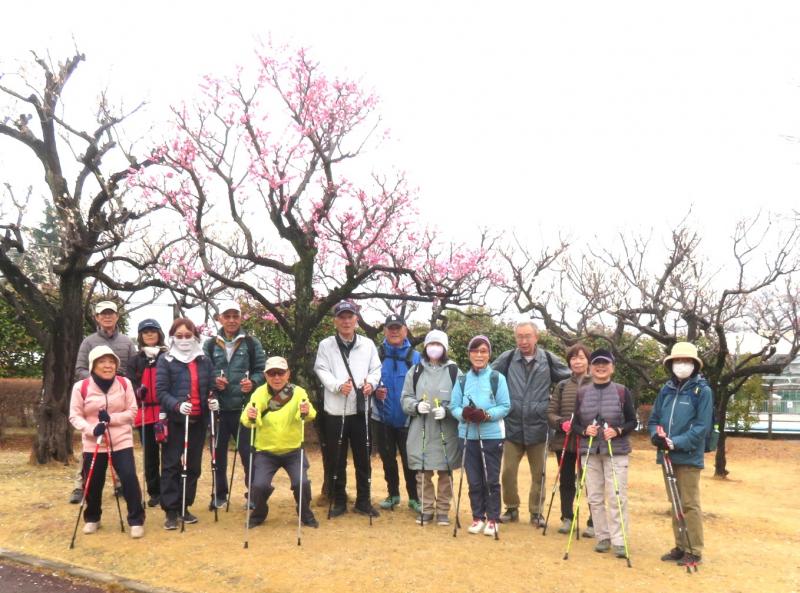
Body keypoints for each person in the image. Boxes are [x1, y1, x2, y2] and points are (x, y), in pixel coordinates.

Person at [492, 321, 570, 526]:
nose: (523, 341)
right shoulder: (507, 358)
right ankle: (511, 508)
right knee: (508, 471)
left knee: (539, 473)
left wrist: (558, 403)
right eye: (519, 336)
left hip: (539, 425)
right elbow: (489, 377)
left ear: (536, 337)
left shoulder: (549, 359)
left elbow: (570, 379)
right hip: (511, 424)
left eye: (527, 336)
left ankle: (536, 512)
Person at [313, 300, 382, 518]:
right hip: (335, 410)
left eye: (350, 317)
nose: (346, 321)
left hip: (361, 409)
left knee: (363, 458)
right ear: (335, 321)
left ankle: (363, 500)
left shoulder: (368, 344)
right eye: (341, 317)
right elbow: (321, 369)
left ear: (356, 320)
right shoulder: (326, 345)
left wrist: (371, 383)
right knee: (337, 458)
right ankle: (339, 499)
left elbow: (376, 369)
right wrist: (336, 386)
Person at [68, 345, 145, 538]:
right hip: (94, 442)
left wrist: (111, 419)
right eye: (102, 362)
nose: (108, 366)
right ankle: (93, 517)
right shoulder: (82, 387)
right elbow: (75, 416)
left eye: (111, 362)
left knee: (128, 478)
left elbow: (132, 412)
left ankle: (136, 519)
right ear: (93, 365)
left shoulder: (125, 383)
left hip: (121, 440)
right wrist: (92, 429)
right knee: (93, 481)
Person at [648, 342, 713, 568]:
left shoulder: (702, 391)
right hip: (667, 456)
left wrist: (675, 443)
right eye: (677, 361)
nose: (681, 365)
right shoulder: (665, 390)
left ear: (694, 365)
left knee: (689, 503)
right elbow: (654, 419)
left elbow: (701, 427)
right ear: (671, 364)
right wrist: (657, 436)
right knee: (674, 502)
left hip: (688, 456)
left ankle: (694, 550)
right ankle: (680, 545)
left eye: (686, 361)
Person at [69, 300, 137, 504]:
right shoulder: (89, 342)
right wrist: (95, 384)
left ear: (117, 316)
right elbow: (80, 368)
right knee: (92, 447)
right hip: (94, 399)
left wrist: (120, 383)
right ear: (97, 318)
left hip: (119, 396)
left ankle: (120, 484)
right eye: (103, 314)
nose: (107, 317)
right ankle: (81, 485)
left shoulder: (126, 341)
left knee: (120, 445)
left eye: (111, 313)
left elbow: (133, 367)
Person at [571, 349, 637, 559]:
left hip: (615, 451)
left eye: (605, 364)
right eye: (597, 363)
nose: (601, 367)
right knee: (595, 496)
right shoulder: (582, 392)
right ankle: (602, 537)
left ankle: (619, 540)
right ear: (591, 367)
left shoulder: (621, 391)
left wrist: (617, 430)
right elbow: (575, 423)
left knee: (617, 495)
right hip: (590, 450)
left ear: (612, 367)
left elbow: (632, 421)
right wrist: (584, 431)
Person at [240, 356, 319, 528]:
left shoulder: (298, 392)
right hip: (265, 452)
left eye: (280, 373)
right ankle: (259, 513)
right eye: (272, 373)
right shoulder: (259, 393)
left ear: (288, 374)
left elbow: (311, 413)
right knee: (259, 485)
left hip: (293, 451)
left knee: (302, 483)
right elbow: (245, 418)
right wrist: (251, 416)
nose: (276, 377)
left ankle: (305, 513)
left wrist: (305, 412)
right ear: (265, 375)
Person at [203, 300, 266, 509]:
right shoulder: (210, 344)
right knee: (217, 456)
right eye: (227, 316)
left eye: (235, 316)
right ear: (219, 318)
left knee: (249, 456)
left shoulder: (251, 343)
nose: (231, 320)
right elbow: (204, 372)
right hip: (219, 410)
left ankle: (253, 496)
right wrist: (214, 381)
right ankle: (219, 495)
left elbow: (261, 370)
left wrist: (254, 382)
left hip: (243, 409)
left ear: (240, 318)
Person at [157, 317, 216, 530]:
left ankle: (185, 505)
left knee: (192, 465)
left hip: (198, 420)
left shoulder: (203, 359)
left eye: (188, 335)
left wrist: (212, 399)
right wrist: (176, 405)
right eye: (179, 336)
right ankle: (170, 510)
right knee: (172, 464)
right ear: (173, 337)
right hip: (175, 421)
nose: (183, 339)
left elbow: (210, 387)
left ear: (195, 336)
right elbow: (161, 391)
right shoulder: (166, 360)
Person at [449, 335, 510, 537]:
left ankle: (493, 518)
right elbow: (454, 406)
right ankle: (478, 516)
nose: (479, 355)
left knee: (491, 479)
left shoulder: (497, 378)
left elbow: (505, 406)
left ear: (489, 354)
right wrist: (463, 414)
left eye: (483, 351)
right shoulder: (462, 379)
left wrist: (487, 414)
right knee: (474, 480)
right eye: (475, 351)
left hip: (491, 435)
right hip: (467, 435)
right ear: (469, 354)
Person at [401, 329, 462, 525]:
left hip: (447, 431)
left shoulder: (454, 371)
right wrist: (416, 406)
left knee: (446, 472)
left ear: (444, 348)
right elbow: (405, 398)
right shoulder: (415, 371)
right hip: (421, 429)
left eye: (438, 344)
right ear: (425, 347)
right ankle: (426, 509)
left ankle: (443, 510)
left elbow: (461, 401)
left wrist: (448, 410)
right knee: (423, 472)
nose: (434, 348)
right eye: (430, 344)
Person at [373, 314, 421, 512]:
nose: (394, 331)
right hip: (382, 417)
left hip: (408, 419)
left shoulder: (415, 356)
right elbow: (368, 379)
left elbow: (423, 385)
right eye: (390, 328)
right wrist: (376, 391)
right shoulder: (376, 354)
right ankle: (393, 494)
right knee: (387, 458)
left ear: (405, 330)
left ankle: (415, 497)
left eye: (397, 328)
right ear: (384, 330)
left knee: (411, 460)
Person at [546, 342, 594, 536]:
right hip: (564, 440)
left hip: (588, 441)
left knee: (591, 482)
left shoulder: (596, 383)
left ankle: (593, 521)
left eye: (581, 357)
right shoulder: (562, 385)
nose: (577, 361)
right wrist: (560, 423)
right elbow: (551, 412)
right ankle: (567, 517)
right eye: (573, 358)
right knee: (566, 481)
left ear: (588, 361)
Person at [126, 319, 167, 508]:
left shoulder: (167, 356)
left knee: (168, 453)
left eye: (153, 331)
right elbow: (130, 381)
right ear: (141, 336)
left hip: (164, 411)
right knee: (150, 454)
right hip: (144, 412)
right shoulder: (135, 359)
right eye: (145, 332)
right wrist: (137, 391)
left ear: (159, 333)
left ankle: (169, 489)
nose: (149, 334)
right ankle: (154, 491)